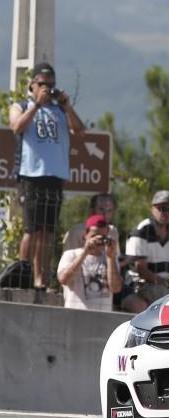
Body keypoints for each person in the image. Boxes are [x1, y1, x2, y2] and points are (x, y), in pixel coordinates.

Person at [8, 62, 85, 291]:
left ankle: (41, 277)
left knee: (48, 230)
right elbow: (17, 127)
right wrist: (35, 106)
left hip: (55, 176)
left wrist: (67, 106)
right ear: (32, 85)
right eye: (42, 84)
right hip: (32, 174)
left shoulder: (60, 110)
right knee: (32, 229)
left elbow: (80, 130)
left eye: (51, 85)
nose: (47, 89)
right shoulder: (21, 105)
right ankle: (24, 274)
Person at [122, 190, 169, 312]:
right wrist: (167, 284)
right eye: (162, 208)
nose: (167, 212)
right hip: (139, 284)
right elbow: (141, 270)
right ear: (152, 209)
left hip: (162, 284)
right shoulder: (142, 231)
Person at [56, 214, 122, 311]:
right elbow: (64, 280)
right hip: (75, 314)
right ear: (85, 236)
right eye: (94, 236)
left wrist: (110, 258)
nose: (98, 240)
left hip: (103, 317)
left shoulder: (110, 258)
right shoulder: (71, 254)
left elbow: (116, 288)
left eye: (103, 237)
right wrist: (85, 252)